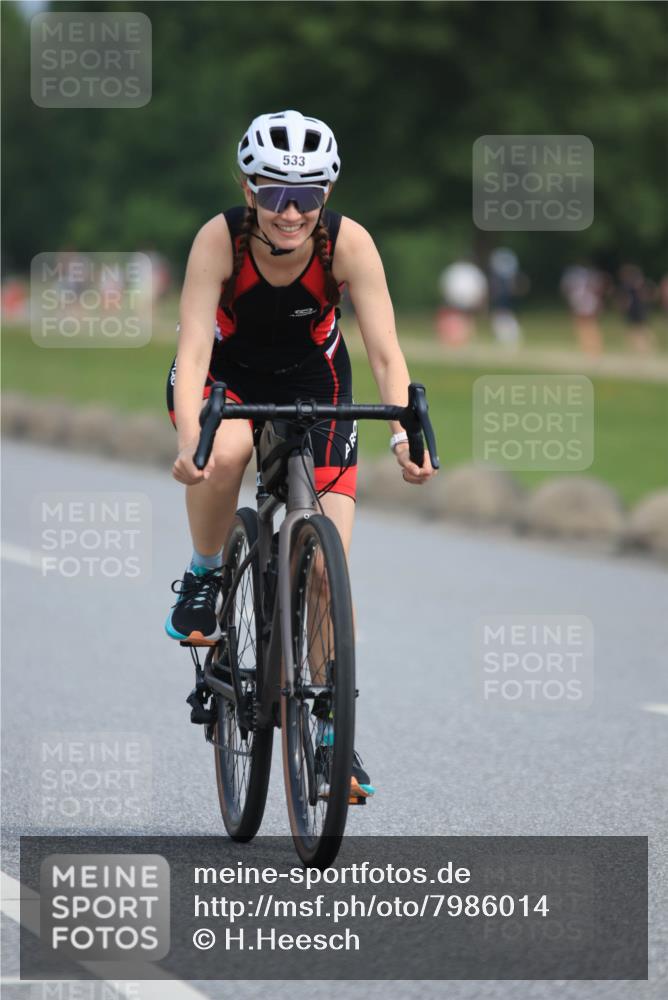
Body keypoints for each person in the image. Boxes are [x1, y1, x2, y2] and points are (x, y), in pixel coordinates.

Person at [164, 109, 436, 799]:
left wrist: (406, 432)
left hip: (317, 380)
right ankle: (204, 575)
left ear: (328, 194)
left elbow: (383, 350)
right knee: (225, 456)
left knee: (325, 572)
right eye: (275, 192)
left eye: (308, 194)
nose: (291, 211)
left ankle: (327, 734)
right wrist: (190, 439)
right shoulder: (218, 240)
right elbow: (194, 344)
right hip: (226, 375)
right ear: (248, 187)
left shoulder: (348, 245)